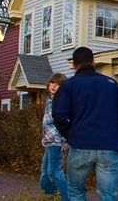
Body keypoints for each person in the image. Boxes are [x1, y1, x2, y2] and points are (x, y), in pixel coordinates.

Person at [53, 47, 118, 201]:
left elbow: (59, 116)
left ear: (74, 65)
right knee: (108, 196)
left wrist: (71, 135)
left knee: (75, 191)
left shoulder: (68, 86)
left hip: (80, 144)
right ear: (93, 62)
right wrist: (116, 141)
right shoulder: (112, 85)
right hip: (108, 145)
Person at [40, 73, 70, 201]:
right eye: (53, 83)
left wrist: (63, 141)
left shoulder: (62, 101)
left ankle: (68, 197)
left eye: (58, 85)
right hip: (48, 141)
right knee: (45, 175)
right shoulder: (49, 98)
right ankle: (50, 196)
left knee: (54, 171)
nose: (54, 86)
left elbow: (65, 121)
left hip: (56, 141)